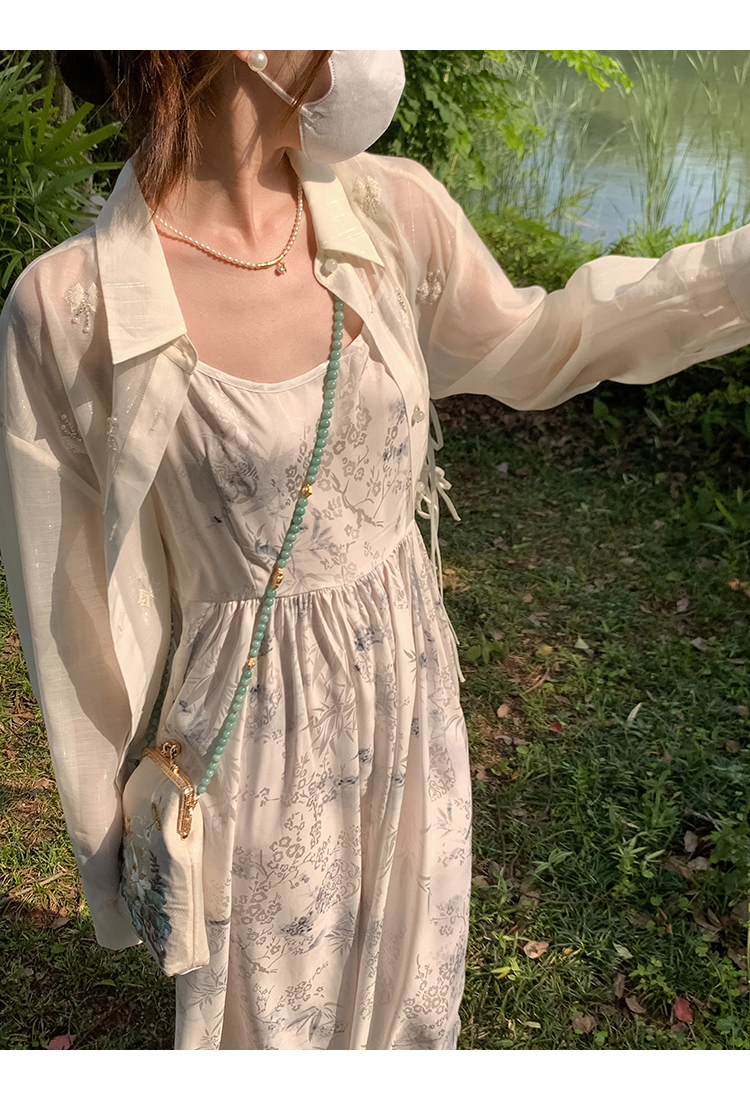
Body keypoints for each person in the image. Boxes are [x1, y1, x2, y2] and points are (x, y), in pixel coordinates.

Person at [1, 49, 750, 1051]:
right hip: (252, 748)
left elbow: (545, 341)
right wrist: (126, 871)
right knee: (273, 1032)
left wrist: (730, 276)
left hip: (411, 695)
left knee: (412, 1001)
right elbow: (71, 623)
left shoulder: (392, 212)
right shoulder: (68, 308)